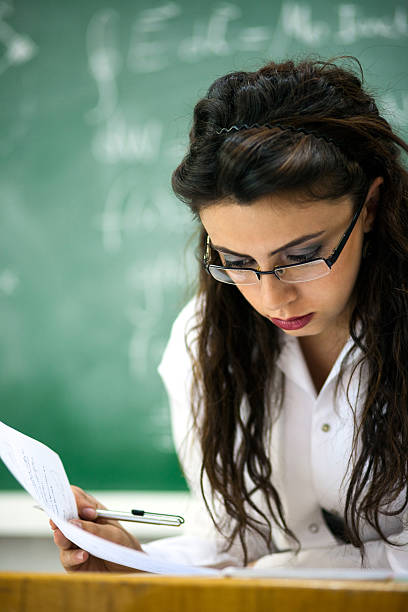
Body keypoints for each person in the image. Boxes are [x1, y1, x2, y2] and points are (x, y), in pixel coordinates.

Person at [51, 56, 408, 572]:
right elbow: (233, 539)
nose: (272, 299)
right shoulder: (203, 338)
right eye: (238, 263)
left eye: (302, 257)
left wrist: (284, 573)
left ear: (370, 207)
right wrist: (139, 562)